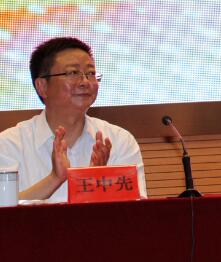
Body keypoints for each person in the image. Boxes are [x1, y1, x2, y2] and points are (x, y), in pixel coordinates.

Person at [0, 37, 147, 202]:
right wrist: (55, 178)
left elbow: (137, 212)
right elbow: (4, 209)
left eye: (91, 73)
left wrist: (97, 183)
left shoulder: (118, 141)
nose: (85, 82)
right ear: (42, 86)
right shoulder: (9, 145)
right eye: (72, 73)